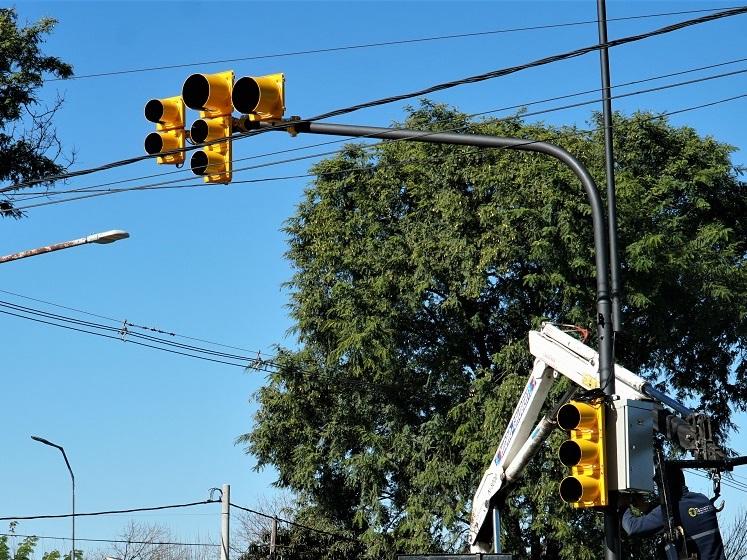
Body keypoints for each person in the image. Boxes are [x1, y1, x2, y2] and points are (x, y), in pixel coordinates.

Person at [621, 468, 726, 560]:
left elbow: (632, 528)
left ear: (665, 486)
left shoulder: (671, 509)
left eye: (659, 485)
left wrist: (623, 505)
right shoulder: (702, 499)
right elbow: (686, 517)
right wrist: (647, 508)